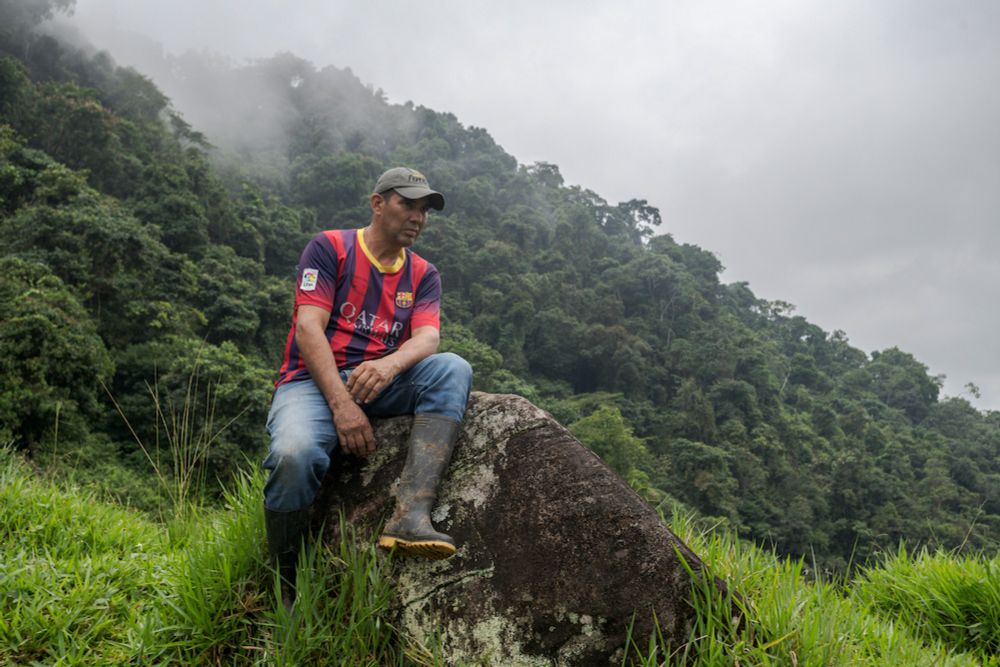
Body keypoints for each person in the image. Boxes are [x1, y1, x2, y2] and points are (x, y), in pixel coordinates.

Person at [262, 167, 473, 608]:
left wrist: (390, 365)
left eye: (424, 210)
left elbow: (428, 337)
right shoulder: (331, 248)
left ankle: (411, 514)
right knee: (294, 454)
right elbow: (307, 327)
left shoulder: (423, 273)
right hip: (312, 384)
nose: (418, 217)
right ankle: (284, 577)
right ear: (378, 203)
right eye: (407, 205)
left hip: (379, 380)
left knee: (452, 368)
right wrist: (342, 406)